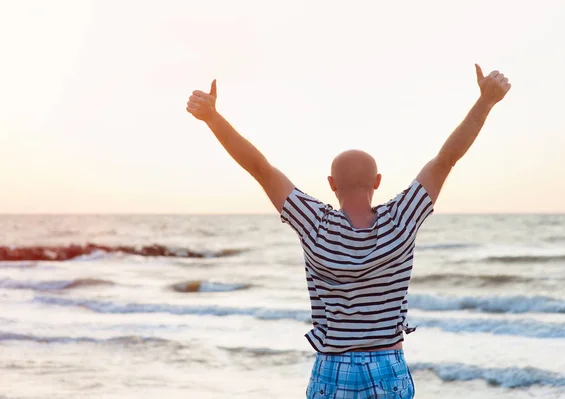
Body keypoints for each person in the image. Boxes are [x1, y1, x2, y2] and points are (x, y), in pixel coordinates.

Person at [186, 64, 511, 398]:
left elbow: (260, 169)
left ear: (331, 185)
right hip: (387, 367)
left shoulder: (313, 222)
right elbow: (446, 160)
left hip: (332, 367)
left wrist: (213, 118)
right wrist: (485, 101)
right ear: (377, 182)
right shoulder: (401, 218)